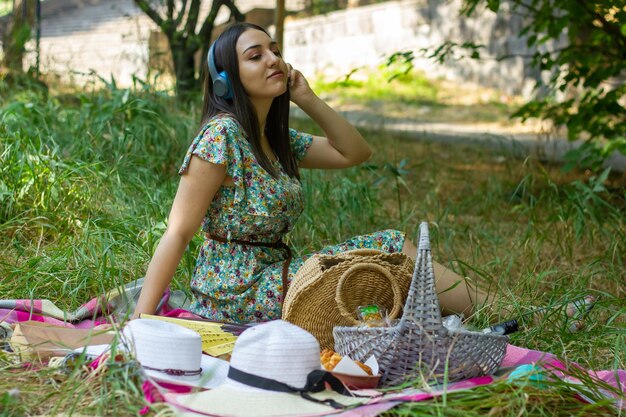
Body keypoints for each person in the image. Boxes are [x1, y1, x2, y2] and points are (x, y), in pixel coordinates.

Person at [132, 22, 493, 323]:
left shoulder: (274, 139)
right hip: (237, 291)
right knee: (385, 251)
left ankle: (491, 310)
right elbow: (178, 230)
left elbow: (354, 152)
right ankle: (494, 310)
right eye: (256, 56)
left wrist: (307, 99)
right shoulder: (221, 136)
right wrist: (141, 322)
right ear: (226, 80)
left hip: (277, 277)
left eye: (275, 51)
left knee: (385, 253)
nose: (273, 59)